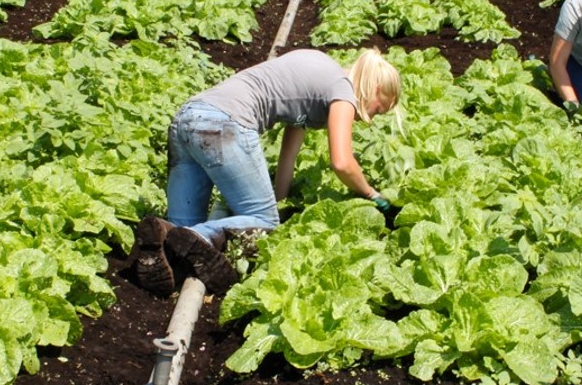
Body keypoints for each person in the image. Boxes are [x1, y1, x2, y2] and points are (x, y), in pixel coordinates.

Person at [132, 48, 401, 296]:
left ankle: (163, 237)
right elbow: (342, 162)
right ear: (375, 88)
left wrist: (279, 204)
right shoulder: (343, 90)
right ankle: (196, 237)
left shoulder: (323, 75)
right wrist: (372, 194)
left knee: (180, 234)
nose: (373, 116)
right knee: (260, 222)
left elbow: (289, 154)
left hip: (188, 119)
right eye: (380, 109)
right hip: (223, 125)